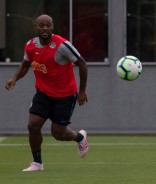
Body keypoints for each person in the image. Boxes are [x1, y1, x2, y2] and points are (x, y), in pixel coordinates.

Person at [5, 14, 89, 172]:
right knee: (33, 125)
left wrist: (82, 91)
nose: (45, 28)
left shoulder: (62, 45)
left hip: (65, 95)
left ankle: (80, 137)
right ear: (35, 27)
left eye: (48, 25)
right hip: (43, 93)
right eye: (41, 25)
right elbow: (25, 64)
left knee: (58, 134)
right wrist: (14, 77)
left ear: (52, 27)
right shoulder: (30, 45)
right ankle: (37, 163)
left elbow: (82, 64)